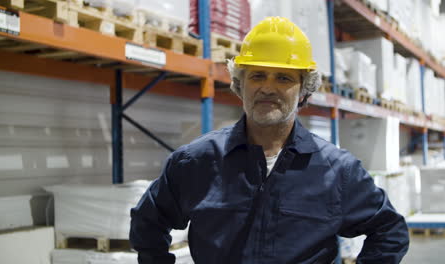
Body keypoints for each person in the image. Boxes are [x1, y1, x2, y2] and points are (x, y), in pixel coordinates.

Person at [130, 17, 409, 264]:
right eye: (258, 76)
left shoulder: (337, 171)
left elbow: (389, 230)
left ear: (303, 90)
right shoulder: (196, 162)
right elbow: (148, 223)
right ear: (240, 84)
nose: (267, 88)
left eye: (284, 78)